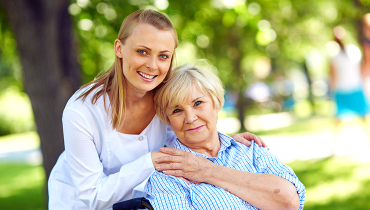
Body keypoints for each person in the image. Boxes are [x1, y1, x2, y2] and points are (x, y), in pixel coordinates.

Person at [48, 9, 264, 210]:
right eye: (142, 52)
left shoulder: (167, 98)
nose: (153, 65)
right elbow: (92, 196)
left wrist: (218, 141)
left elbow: (183, 141)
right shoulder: (82, 110)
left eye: (163, 56)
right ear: (119, 49)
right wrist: (152, 160)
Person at [146, 64, 306, 210]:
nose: (190, 118)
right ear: (167, 119)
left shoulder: (250, 150)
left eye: (198, 103)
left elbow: (289, 201)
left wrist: (208, 171)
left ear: (216, 102)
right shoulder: (167, 174)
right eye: (177, 110)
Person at [329, 26, 370, 146]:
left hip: (343, 90)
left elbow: (333, 77)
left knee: (339, 120)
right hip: (355, 88)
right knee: (363, 118)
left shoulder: (335, 57)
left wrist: (332, 91)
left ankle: (333, 145)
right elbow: (362, 69)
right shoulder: (354, 51)